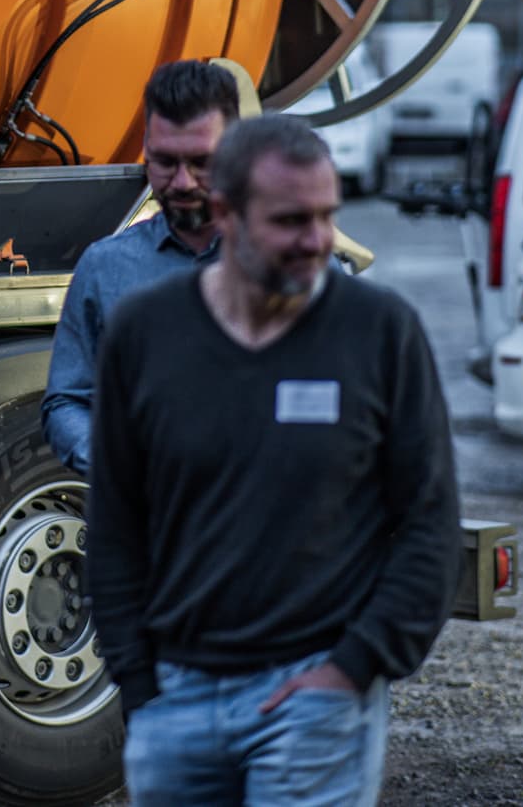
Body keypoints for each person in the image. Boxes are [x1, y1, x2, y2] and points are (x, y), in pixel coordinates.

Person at [86, 113, 458, 807]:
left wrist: (353, 667)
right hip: (176, 699)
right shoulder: (147, 332)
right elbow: (114, 524)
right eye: (291, 220)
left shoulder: (379, 332)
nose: (317, 241)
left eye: (326, 215)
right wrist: (139, 683)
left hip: (315, 696)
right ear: (225, 212)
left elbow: (431, 524)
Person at [40, 60, 241, 476]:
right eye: (165, 162)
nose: (182, 182)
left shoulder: (295, 265)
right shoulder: (106, 268)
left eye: (201, 162)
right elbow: (67, 401)